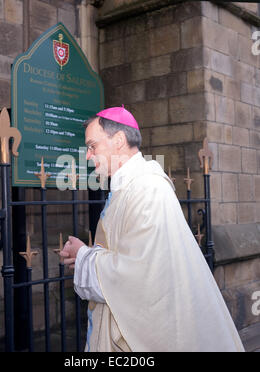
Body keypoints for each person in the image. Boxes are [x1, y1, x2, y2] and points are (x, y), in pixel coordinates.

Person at [60, 106, 244, 352]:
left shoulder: (148, 188)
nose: (88, 156)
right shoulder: (127, 187)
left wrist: (84, 256)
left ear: (119, 141)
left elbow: (139, 273)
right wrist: (85, 255)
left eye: (93, 146)